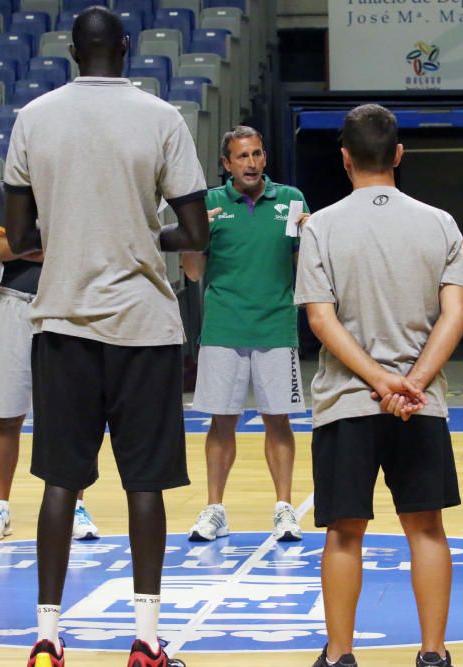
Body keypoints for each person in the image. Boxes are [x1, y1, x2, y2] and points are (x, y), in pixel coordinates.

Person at [2, 8, 208, 667]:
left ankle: (46, 637)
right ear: (126, 48)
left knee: (61, 483)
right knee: (144, 483)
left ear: (70, 51)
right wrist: (142, 237)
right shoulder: (162, 118)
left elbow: (19, 236)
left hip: (62, 321)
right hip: (144, 327)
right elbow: (197, 232)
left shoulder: (34, 117)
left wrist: (72, 235)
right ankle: (146, 639)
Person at [296, 104, 463, 667]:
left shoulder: (319, 225)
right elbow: (458, 314)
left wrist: (376, 380)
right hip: (421, 407)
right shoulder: (441, 222)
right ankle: (433, 653)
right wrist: (412, 383)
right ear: (398, 155)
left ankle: (341, 655)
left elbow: (321, 319)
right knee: (426, 530)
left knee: (345, 534)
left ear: (343, 158)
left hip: (347, 403)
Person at [182, 126, 309, 543]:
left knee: (279, 421)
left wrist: (313, 236)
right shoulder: (210, 204)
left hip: (276, 326)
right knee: (222, 422)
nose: (251, 163)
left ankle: (284, 509)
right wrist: (194, 233)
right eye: (242, 156)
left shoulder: (291, 200)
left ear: (265, 158)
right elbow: (194, 272)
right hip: (222, 328)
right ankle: (215, 509)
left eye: (257, 154)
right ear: (226, 164)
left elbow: (305, 265)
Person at [0, 181, 100, 542]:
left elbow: (84, 247)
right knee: (7, 415)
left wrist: (23, 244)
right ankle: (1, 506)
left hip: (67, 303)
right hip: (15, 302)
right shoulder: (4, 190)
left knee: (72, 417)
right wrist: (48, 245)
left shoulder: (74, 185)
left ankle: (76, 505)